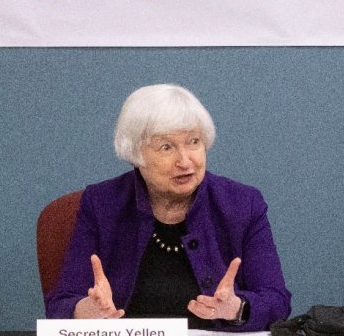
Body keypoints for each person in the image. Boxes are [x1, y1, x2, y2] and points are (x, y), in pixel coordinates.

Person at [45, 84, 291, 331]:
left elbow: (277, 300)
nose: (185, 161)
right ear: (135, 153)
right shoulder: (101, 204)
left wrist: (238, 308)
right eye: (166, 147)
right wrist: (85, 310)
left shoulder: (242, 204)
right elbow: (60, 305)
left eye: (193, 142)